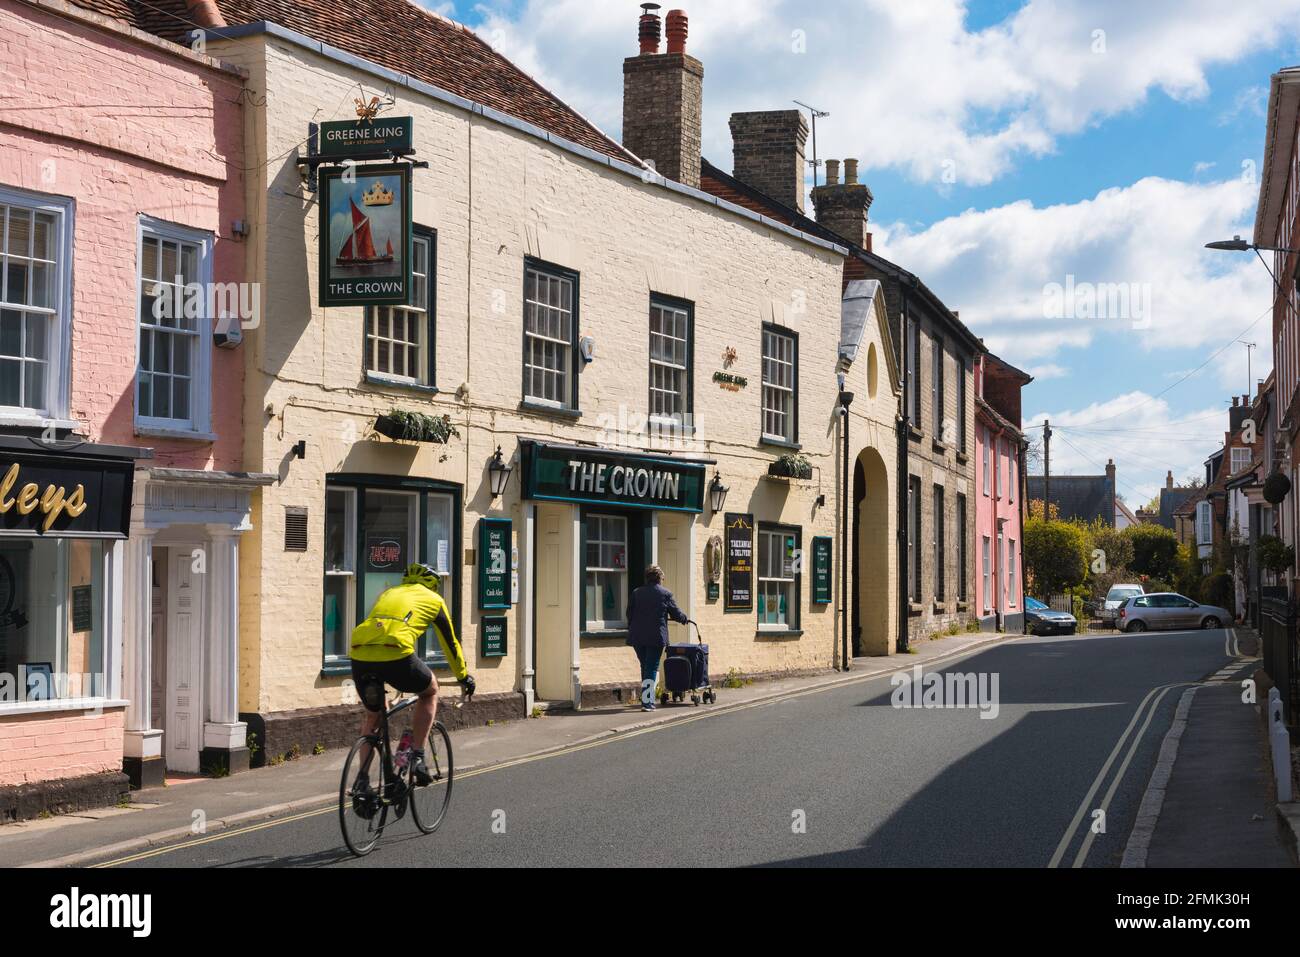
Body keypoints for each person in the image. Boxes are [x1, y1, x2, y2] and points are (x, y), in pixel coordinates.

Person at [350, 562, 475, 784]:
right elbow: (450, 643)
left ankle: (362, 781)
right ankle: (417, 756)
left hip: (359, 651)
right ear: (433, 584)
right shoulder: (435, 600)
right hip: (396, 652)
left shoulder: (389, 592)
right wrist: (463, 676)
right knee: (429, 691)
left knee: (374, 715)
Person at [626, 564, 688, 711]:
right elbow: (676, 614)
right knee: (651, 668)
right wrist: (684, 619)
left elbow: (629, 613)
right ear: (659, 578)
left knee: (645, 666)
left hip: (637, 636)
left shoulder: (637, 592)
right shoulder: (665, 594)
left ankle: (646, 698)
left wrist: (635, 626)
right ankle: (647, 702)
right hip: (655, 637)